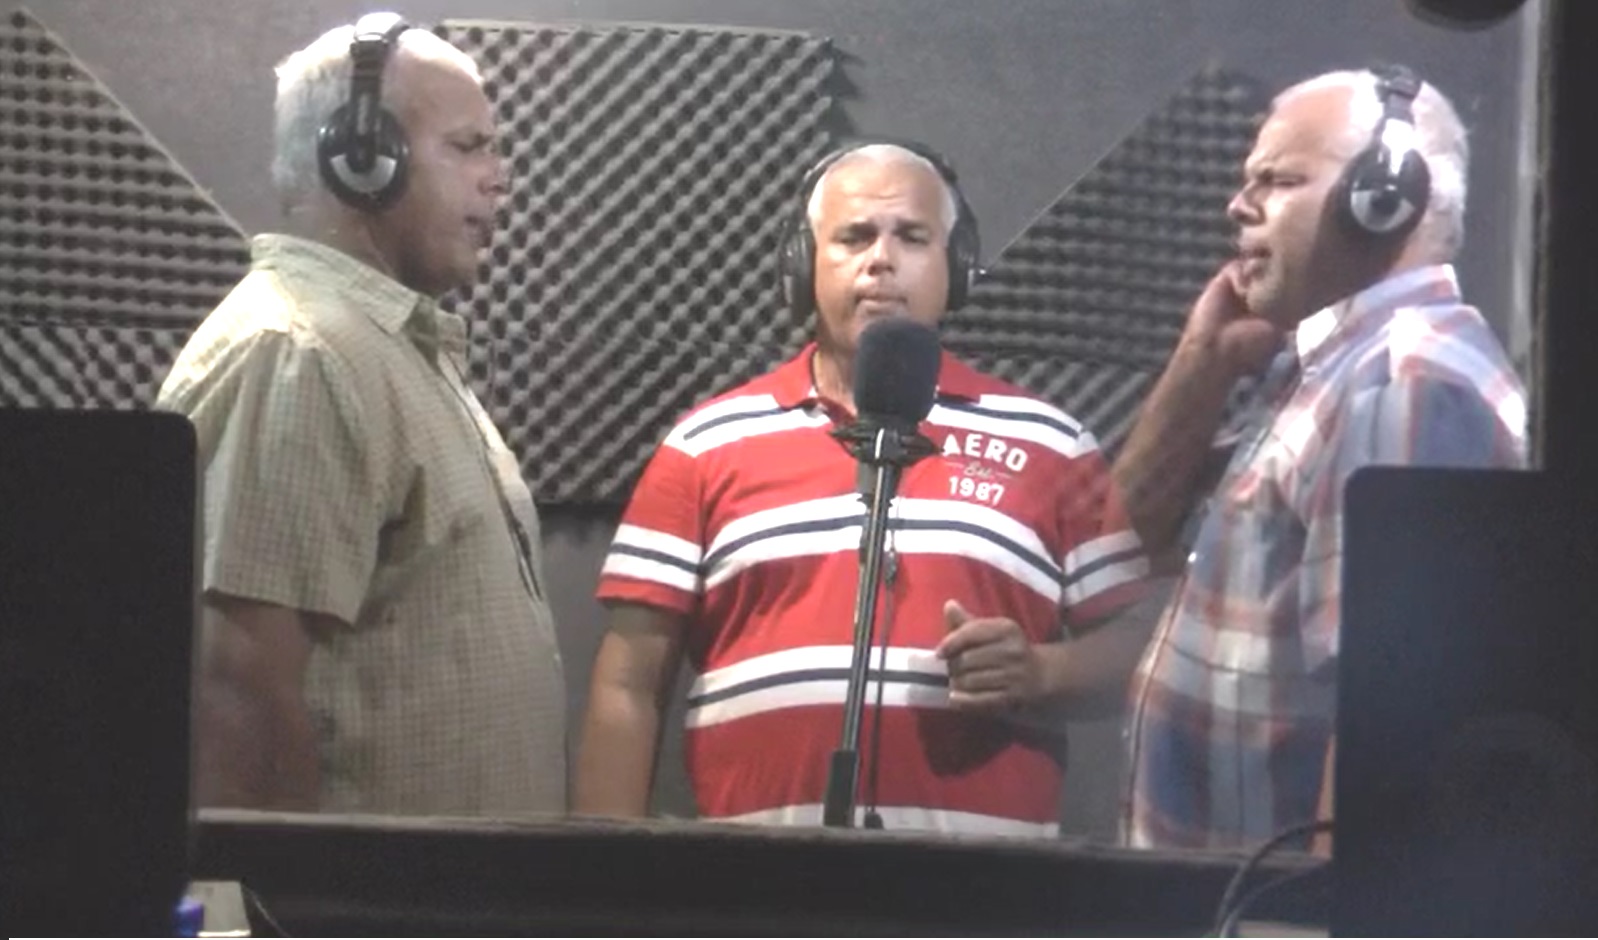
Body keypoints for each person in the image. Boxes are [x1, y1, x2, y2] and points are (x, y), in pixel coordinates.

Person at [573, 140, 1150, 836]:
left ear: (956, 265)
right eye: (853, 237)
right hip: (752, 880)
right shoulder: (704, 445)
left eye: (912, 237)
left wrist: (1041, 672)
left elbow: (1141, 651)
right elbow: (629, 683)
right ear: (803, 263)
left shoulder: (1051, 443)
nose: (881, 259)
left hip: (986, 886)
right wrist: (605, 872)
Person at [155, 12, 566, 816]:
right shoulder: (299, 354)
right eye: (468, 146)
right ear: (361, 157)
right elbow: (241, 699)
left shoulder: (388, 353)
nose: (498, 178)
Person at [1114, 66, 1529, 851]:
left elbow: (1389, 718)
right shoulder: (1327, 371)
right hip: (1213, 894)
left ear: (1385, 197)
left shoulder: (1404, 384)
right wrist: (1204, 361)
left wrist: (1321, 909)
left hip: (1269, 903)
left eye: (1277, 180)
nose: (1237, 206)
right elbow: (1125, 540)